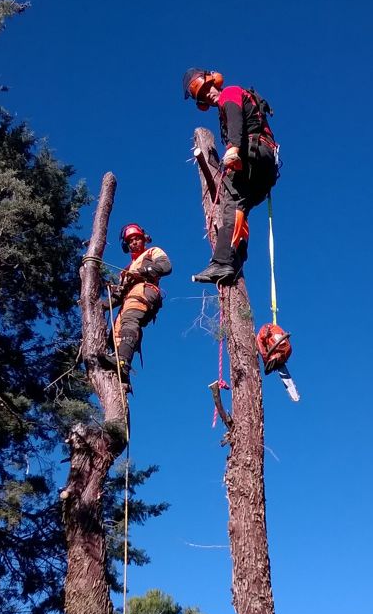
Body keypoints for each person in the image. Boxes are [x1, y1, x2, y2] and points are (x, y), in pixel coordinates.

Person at [183, 68, 279, 284]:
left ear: (215, 81)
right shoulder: (226, 104)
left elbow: (236, 119)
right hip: (263, 166)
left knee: (231, 201)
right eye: (202, 95)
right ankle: (235, 260)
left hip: (254, 153)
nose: (208, 94)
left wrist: (233, 148)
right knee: (239, 206)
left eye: (208, 88)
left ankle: (222, 262)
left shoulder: (230, 93)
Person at [103, 223, 171, 385]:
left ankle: (122, 361)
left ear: (143, 239)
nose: (134, 243)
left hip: (144, 290)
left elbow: (166, 267)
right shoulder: (125, 270)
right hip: (128, 298)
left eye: (137, 239)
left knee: (130, 320)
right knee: (115, 334)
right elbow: (117, 298)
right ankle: (119, 368)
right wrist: (101, 304)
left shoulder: (152, 252)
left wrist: (141, 271)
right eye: (130, 241)